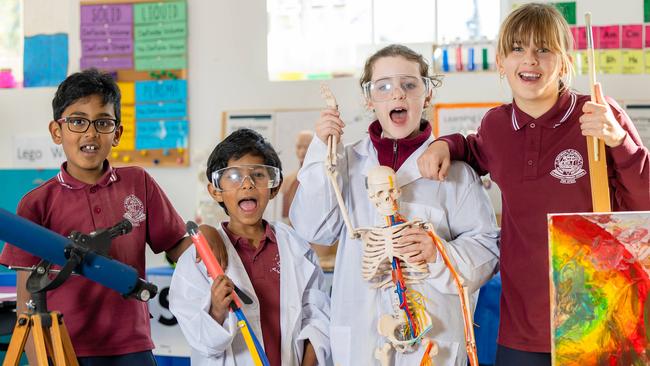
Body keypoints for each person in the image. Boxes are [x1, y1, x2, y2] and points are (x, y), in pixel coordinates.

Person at [416, 4, 650, 365]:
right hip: (521, 329)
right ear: (501, 62)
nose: (530, 59)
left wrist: (620, 142)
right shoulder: (496, 126)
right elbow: (474, 148)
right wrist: (443, 143)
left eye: (544, 49)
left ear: (564, 61)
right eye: (518, 48)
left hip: (600, 322)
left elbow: (645, 201)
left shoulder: (600, 115)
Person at [289, 44, 500, 366]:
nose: (397, 95)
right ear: (368, 98)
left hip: (435, 333)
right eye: (383, 86)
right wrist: (322, 152)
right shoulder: (344, 164)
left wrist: (438, 252)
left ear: (427, 94)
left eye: (409, 85)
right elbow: (312, 228)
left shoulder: (457, 172)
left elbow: (486, 246)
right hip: (361, 331)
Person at [0, 68, 225, 365]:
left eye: (103, 122)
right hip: (65, 345)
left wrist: (207, 241)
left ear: (117, 133)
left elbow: (175, 248)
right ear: (57, 131)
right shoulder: (37, 202)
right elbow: (27, 294)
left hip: (132, 344)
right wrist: (39, 356)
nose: (90, 133)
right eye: (77, 121)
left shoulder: (138, 183)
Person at [169, 128, 331, 366]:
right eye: (233, 176)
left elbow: (317, 319)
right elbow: (200, 340)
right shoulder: (199, 258)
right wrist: (216, 310)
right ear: (216, 191)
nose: (247, 185)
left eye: (258, 175)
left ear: (274, 187)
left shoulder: (297, 248)